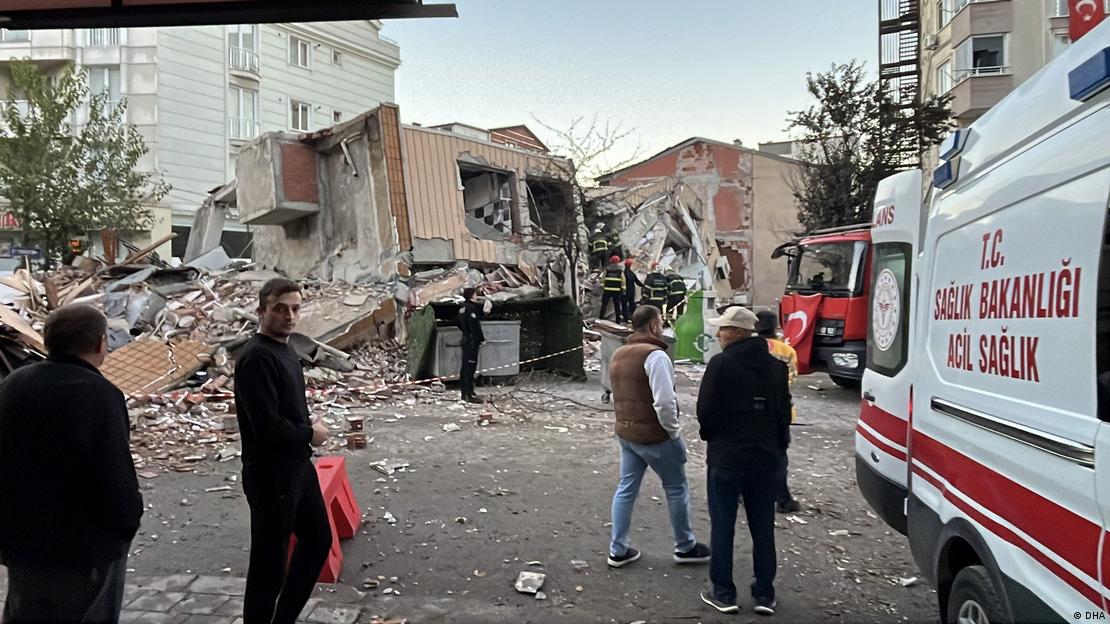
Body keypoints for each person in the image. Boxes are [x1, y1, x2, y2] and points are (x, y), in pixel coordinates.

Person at [0, 304, 142, 624]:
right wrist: (125, 525)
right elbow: (114, 474)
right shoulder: (100, 394)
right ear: (101, 343)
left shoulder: (14, 384)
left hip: (23, 544)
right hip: (82, 549)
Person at [235, 278, 333, 624]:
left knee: (318, 540)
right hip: (270, 474)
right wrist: (311, 432)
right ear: (261, 311)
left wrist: (307, 424)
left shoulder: (286, 349)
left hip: (297, 467)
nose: (289, 316)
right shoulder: (256, 357)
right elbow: (268, 427)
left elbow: (286, 410)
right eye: (279, 309)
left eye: (295, 308)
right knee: (269, 566)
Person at [697, 306, 792, 616]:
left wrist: (715, 439)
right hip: (765, 460)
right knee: (763, 527)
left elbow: (706, 413)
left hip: (727, 458)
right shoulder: (775, 367)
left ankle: (723, 592)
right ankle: (765, 593)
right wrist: (778, 451)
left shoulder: (721, 364)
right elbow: (782, 415)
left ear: (736, 333)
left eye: (722, 329)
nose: (717, 334)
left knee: (723, 525)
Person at [607, 305, 711, 568]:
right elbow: (664, 402)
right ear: (654, 326)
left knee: (626, 489)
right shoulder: (655, 356)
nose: (663, 327)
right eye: (661, 322)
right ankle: (685, 546)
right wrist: (673, 432)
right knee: (676, 488)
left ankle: (617, 549)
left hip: (627, 433)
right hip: (656, 436)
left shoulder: (619, 353)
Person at [756, 310, 801, 514]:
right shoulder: (787, 351)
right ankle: (783, 498)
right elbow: (790, 382)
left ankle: (743, 492)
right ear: (776, 327)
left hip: (752, 410)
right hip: (779, 412)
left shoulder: (750, 348)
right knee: (778, 456)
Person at [458, 287, 492, 404]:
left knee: (464, 368)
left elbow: (458, 322)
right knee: (470, 368)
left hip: (465, 339)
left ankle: (466, 393)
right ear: (472, 295)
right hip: (471, 342)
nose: (477, 296)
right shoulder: (471, 308)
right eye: (475, 294)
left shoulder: (462, 308)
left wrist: (465, 332)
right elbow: (475, 326)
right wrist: (480, 339)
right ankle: (468, 395)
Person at [600, 255, 626, 323]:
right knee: (617, 306)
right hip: (616, 291)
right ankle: (618, 320)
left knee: (604, 305)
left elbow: (602, 280)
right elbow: (623, 281)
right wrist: (623, 290)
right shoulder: (620, 271)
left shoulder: (607, 270)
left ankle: (601, 318)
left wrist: (603, 287)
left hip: (607, 290)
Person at [623, 258, 643, 325]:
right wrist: (644, 285)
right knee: (632, 305)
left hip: (625, 291)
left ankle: (625, 318)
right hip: (632, 291)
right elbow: (637, 282)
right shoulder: (632, 274)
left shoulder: (623, 273)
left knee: (624, 305)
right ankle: (634, 318)